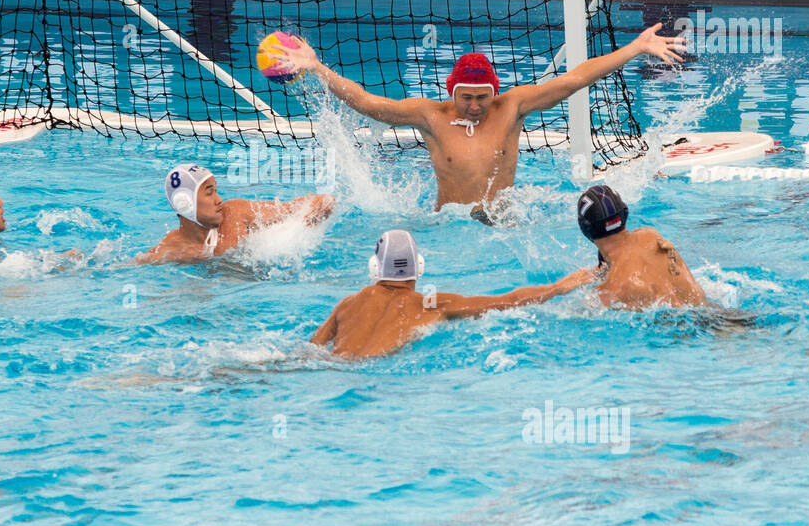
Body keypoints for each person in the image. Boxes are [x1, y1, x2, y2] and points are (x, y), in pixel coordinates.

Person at [272, 25, 688, 216]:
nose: (474, 106)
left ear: (495, 92)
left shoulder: (511, 107)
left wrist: (635, 48)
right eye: (467, 99)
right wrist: (317, 68)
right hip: (446, 226)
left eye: (482, 98)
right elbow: (367, 103)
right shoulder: (430, 115)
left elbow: (575, 78)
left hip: (502, 219)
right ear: (452, 93)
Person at [310, 229, 594, 358]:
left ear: (375, 268)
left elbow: (312, 348)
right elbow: (508, 301)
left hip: (330, 368)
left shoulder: (348, 303)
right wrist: (559, 287)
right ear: (419, 267)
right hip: (373, 375)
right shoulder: (432, 304)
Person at [134, 163, 335, 264]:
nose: (219, 199)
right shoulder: (170, 252)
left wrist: (299, 230)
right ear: (184, 203)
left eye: (216, 190)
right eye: (209, 192)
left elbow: (321, 201)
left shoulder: (235, 213)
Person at [575, 185, 708, 309]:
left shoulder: (608, 294)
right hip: (718, 315)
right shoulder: (651, 235)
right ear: (624, 213)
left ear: (585, 228)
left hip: (683, 332)